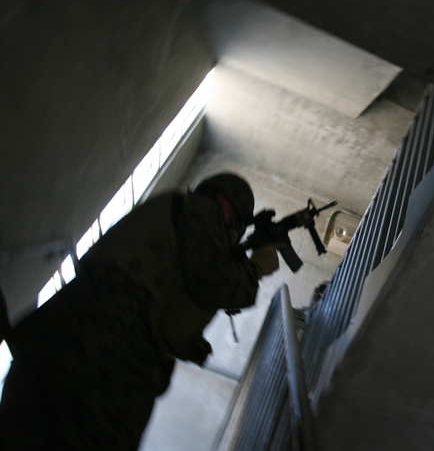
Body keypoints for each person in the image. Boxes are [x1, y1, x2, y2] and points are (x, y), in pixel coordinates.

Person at [0, 172, 278, 450]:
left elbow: (174, 322)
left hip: (82, 354)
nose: (229, 229)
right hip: (101, 361)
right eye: (233, 220)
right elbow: (211, 282)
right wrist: (254, 269)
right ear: (219, 199)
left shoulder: (178, 238)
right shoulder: (200, 211)